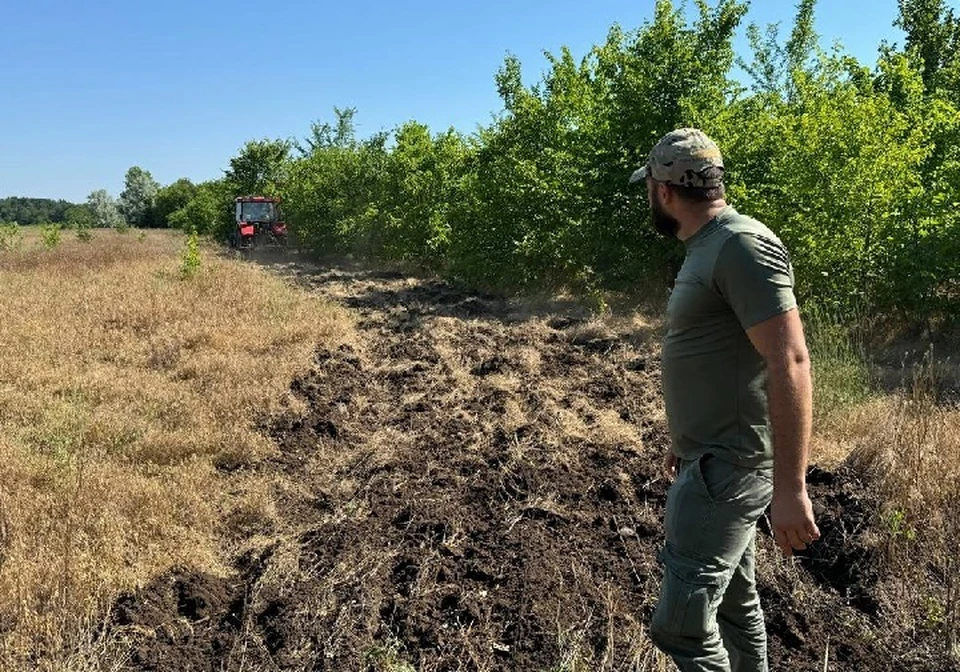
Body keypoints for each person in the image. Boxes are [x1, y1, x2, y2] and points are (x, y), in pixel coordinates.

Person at [629, 129, 820, 672]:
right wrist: (684, 441)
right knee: (736, 610)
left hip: (729, 470)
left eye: (649, 189)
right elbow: (721, 358)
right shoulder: (708, 247)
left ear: (664, 192)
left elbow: (791, 361)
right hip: (708, 458)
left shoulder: (740, 244)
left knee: (681, 627)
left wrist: (791, 488)